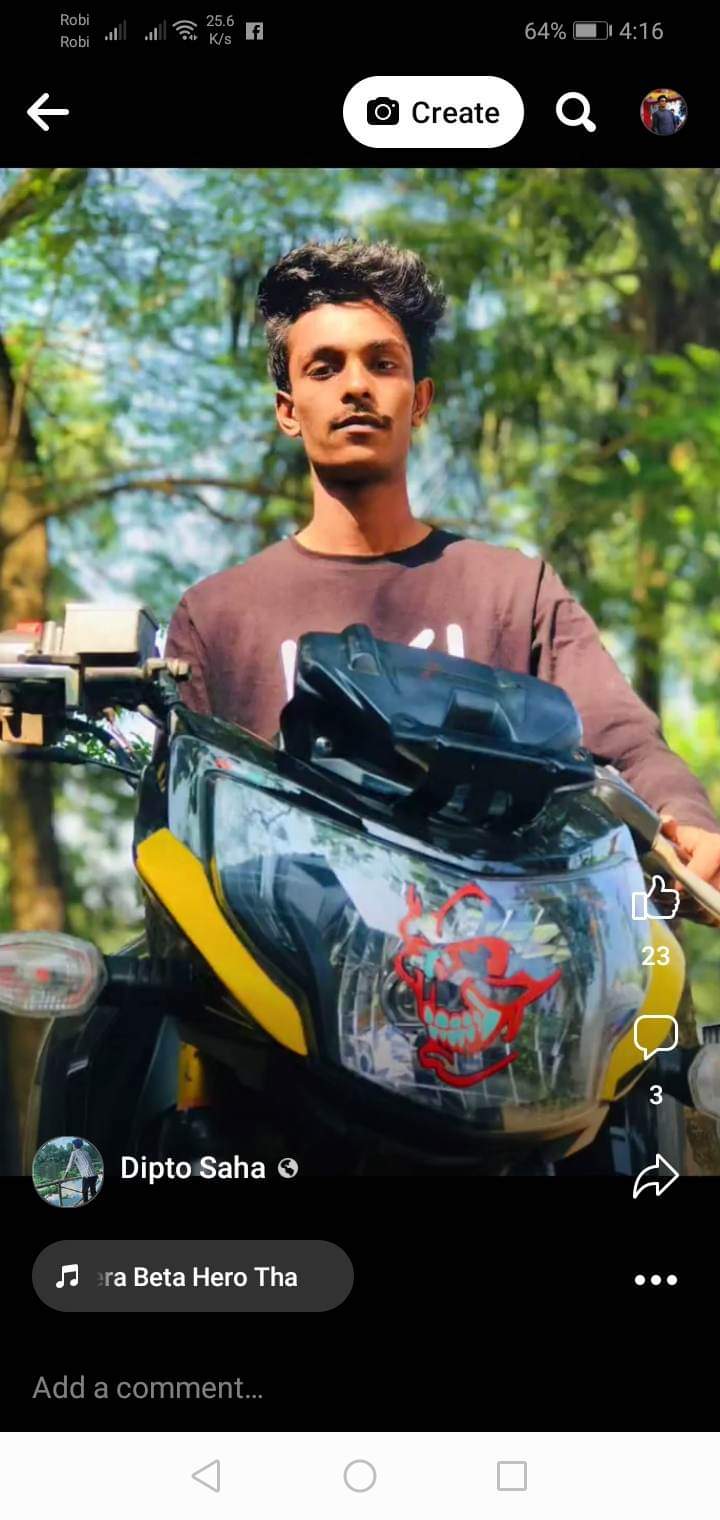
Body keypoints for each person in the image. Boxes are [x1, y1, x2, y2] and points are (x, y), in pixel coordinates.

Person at [166, 239, 720, 907]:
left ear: (420, 401)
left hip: (505, 956)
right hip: (281, 964)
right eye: (324, 368)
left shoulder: (512, 593)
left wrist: (687, 818)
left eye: (382, 363)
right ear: (288, 409)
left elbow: (625, 743)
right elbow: (184, 824)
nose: (356, 386)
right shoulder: (219, 617)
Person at [63, 1139, 99, 1205]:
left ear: (75, 1145)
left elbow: (70, 1164)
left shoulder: (74, 1153)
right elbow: (89, 1163)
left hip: (87, 1176)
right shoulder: (86, 1152)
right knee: (93, 1192)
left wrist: (65, 1176)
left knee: (84, 1192)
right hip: (94, 1175)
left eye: (73, 1145)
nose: (72, 1146)